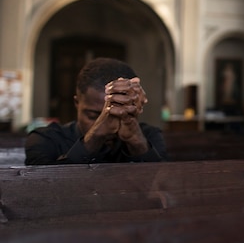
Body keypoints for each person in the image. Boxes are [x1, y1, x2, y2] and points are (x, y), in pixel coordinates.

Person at [25, 57, 167, 164]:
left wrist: (136, 141)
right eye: (94, 116)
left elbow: (164, 190)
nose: (108, 125)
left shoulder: (149, 136)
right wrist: (96, 136)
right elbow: (47, 190)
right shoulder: (46, 139)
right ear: (77, 103)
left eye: (116, 115)